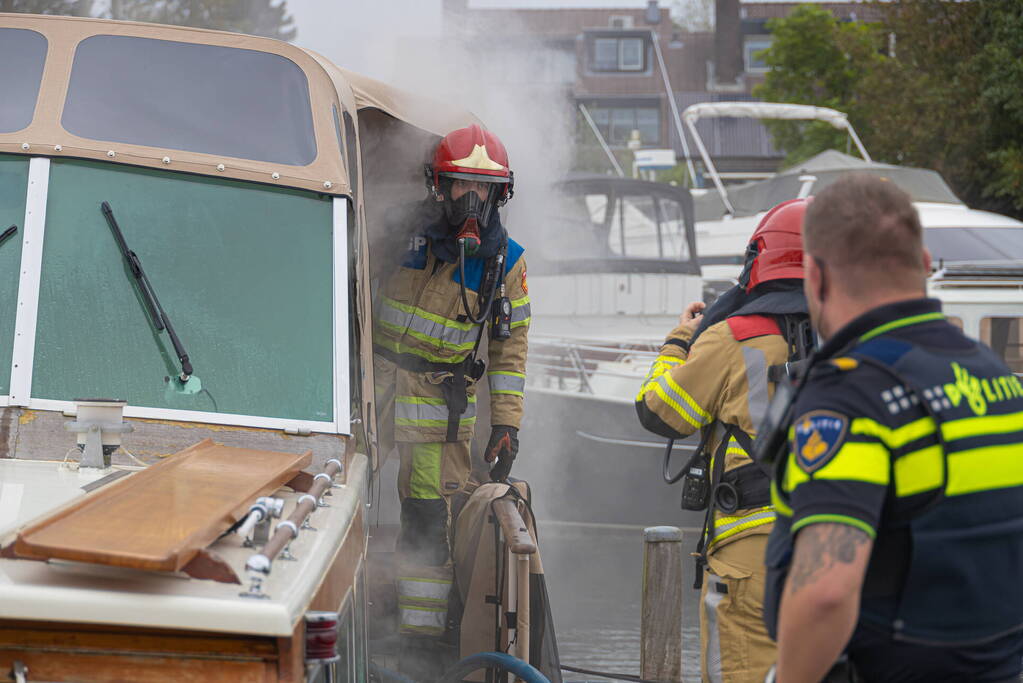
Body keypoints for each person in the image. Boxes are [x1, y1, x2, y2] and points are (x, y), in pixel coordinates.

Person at [761, 174, 1023, 683]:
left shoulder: (852, 396)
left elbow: (826, 593)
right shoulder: (996, 378)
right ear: (924, 265)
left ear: (816, 276)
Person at [373, 124, 530, 675]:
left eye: (482, 190)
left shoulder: (504, 262)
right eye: (461, 185)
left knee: (425, 520)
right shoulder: (397, 233)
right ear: (438, 185)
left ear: (499, 194)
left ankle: (419, 645)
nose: (472, 200)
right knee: (341, 495)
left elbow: (510, 353)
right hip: (372, 389)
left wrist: (506, 424)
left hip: (440, 409)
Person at [635, 198, 812, 683]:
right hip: (840, 545)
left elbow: (660, 411)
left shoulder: (733, 336)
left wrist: (681, 339)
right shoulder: (858, 339)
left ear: (761, 259)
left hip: (751, 553)